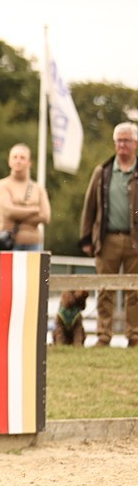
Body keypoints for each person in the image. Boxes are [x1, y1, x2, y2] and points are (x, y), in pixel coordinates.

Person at [79, 122, 138, 347]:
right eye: (119, 140)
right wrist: (86, 238)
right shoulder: (102, 172)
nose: (122, 145)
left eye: (127, 140)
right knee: (105, 288)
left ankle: (134, 335)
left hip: (135, 241)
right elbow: (90, 207)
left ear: (135, 144)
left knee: (135, 290)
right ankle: (104, 334)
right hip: (107, 238)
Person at [0, 144, 50, 251]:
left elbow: (45, 216)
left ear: (29, 163)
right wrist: (34, 210)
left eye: (22, 158)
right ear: (9, 161)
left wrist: (18, 212)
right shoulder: (2, 185)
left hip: (33, 243)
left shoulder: (38, 188)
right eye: (15, 157)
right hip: (9, 242)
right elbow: (8, 211)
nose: (18, 161)